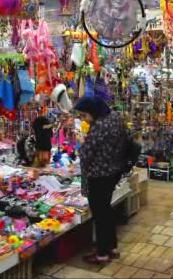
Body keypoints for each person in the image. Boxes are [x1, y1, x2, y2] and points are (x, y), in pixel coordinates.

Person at [74, 96, 129, 265]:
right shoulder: (114, 118)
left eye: (84, 115)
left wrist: (82, 142)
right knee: (106, 210)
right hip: (113, 170)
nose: (83, 119)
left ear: (92, 111)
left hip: (99, 174)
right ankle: (111, 248)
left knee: (100, 214)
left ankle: (102, 254)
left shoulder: (99, 127)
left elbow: (86, 154)